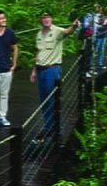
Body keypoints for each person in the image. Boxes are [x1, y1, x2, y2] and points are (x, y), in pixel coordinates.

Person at [31, 13, 78, 141]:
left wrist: (73, 26)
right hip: (40, 70)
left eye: (48, 17)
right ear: (41, 20)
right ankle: (48, 127)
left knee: (52, 99)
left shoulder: (57, 31)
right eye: (43, 18)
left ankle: (55, 128)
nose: (46, 20)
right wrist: (34, 71)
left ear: (51, 19)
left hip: (52, 69)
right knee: (44, 100)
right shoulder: (39, 34)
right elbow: (39, 52)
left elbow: (68, 32)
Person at [0, 10, 18, 127]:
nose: (4, 20)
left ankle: (3, 116)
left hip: (7, 69)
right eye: (1, 18)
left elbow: (15, 48)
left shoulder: (10, 33)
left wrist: (14, 64)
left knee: (4, 94)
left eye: (4, 18)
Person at [81, 3, 106, 74]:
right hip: (89, 37)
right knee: (89, 53)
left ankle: (90, 69)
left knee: (92, 52)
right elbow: (86, 26)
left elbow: (97, 25)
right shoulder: (88, 15)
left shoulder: (97, 16)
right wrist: (93, 23)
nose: (98, 8)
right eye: (96, 7)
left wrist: (99, 24)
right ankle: (87, 70)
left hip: (95, 36)